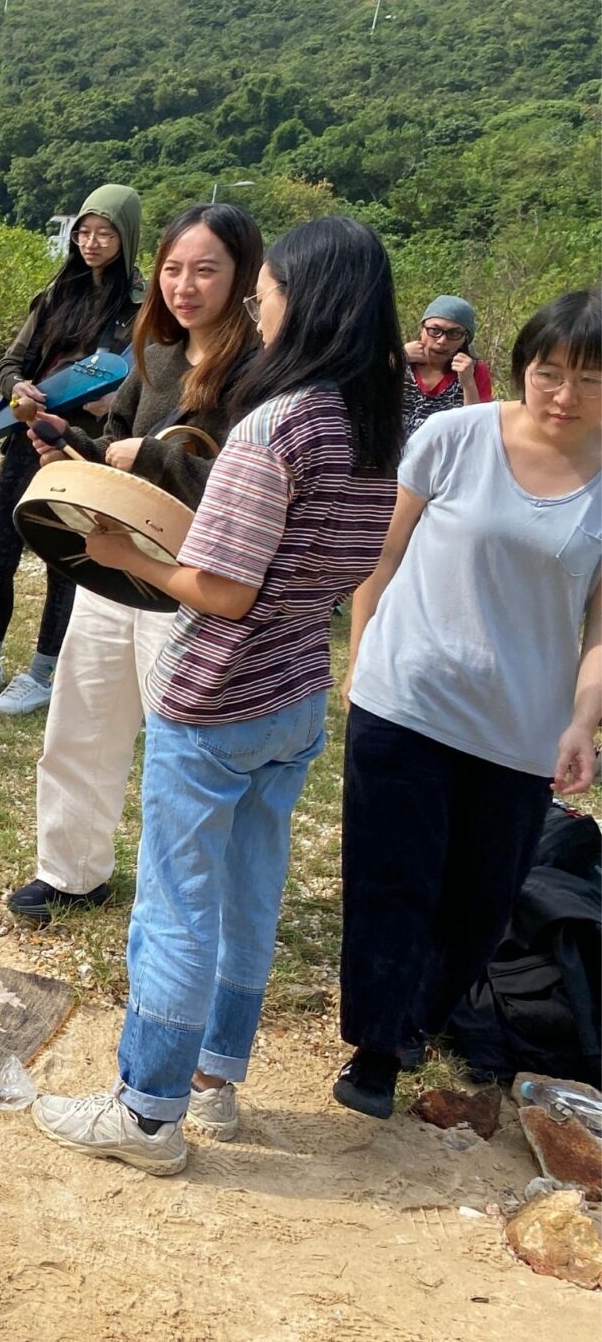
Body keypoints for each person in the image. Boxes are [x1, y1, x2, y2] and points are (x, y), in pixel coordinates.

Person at [31, 217, 406, 1172]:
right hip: (295, 689)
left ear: (307, 299)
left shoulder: (280, 422)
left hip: (219, 690)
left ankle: (147, 1110)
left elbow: (225, 589)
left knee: (177, 902)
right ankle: (214, 1083)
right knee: (248, 892)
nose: (255, 301)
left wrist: (118, 551)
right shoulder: (377, 422)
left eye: (264, 286)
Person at [335, 289, 602, 1119]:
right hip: (409, 693)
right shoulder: (455, 435)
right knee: (391, 881)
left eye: (588, 380)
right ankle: (377, 1049)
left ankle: (418, 1015)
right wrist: (362, 647)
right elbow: (385, 550)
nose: (561, 394)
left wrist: (584, 722)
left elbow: (600, 623)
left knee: (481, 903)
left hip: (521, 726)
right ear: (520, 365)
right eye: (547, 371)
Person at [8, 203, 265, 923]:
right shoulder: (154, 355)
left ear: (244, 277)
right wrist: (70, 450)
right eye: (173, 270)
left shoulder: (260, 376)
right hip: (113, 557)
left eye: (206, 270)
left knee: (180, 746)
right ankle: (71, 870)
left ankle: (179, 893)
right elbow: (114, 442)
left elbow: (246, 489)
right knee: (82, 718)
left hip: (191, 580)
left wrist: (151, 457)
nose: (185, 287)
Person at [0, 184, 145, 716]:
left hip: (83, 445)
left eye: (105, 233)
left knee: (66, 558)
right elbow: (11, 363)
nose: (92, 242)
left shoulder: (144, 308)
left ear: (127, 236)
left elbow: (152, 377)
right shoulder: (57, 294)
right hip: (29, 434)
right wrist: (18, 388)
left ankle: (41, 673)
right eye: (84, 231)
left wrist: (117, 401)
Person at [402, 294, 492, 436]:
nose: (442, 341)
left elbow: (477, 428)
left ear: (465, 339)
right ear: (422, 329)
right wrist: (396, 359)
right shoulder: (397, 360)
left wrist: (468, 383)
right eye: (435, 331)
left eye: (454, 333)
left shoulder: (475, 371)